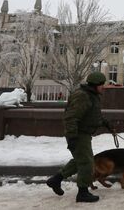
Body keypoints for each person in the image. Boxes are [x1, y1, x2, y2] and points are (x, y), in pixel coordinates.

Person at [46, 72, 114, 203]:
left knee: (80, 160)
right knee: (87, 162)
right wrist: (72, 137)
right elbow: (71, 117)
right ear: (95, 85)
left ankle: (55, 180)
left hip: (84, 133)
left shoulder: (92, 96)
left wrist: (105, 123)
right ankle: (82, 193)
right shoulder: (83, 96)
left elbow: (93, 115)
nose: (103, 87)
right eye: (101, 85)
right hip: (78, 134)